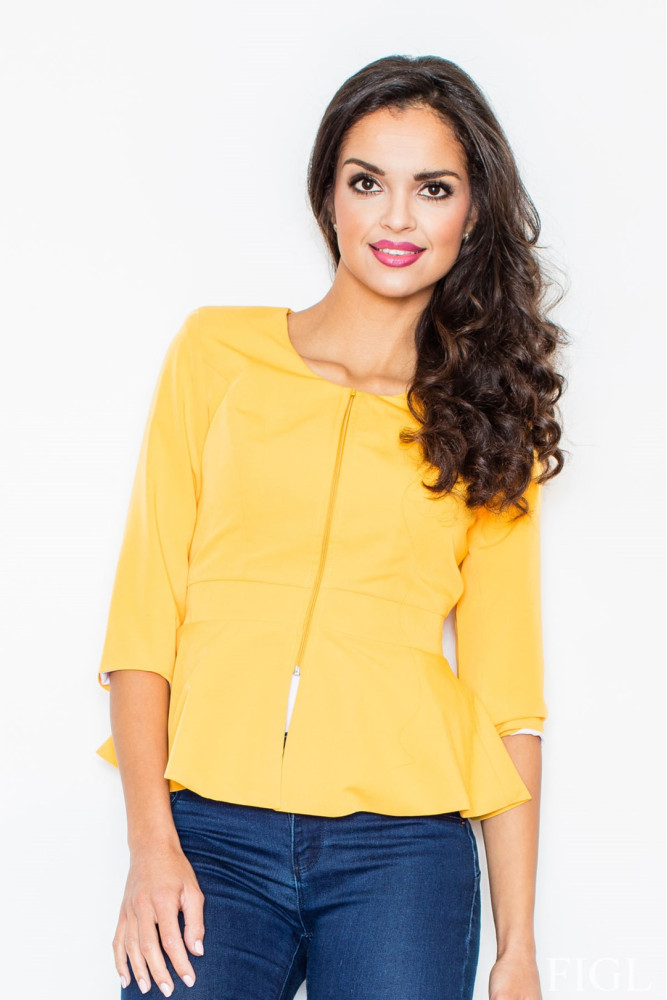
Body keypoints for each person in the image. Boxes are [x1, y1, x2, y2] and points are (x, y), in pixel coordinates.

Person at [95, 54, 567, 1000]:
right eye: (367, 182)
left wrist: (516, 949)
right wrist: (151, 846)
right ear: (328, 198)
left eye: (432, 188)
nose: (397, 219)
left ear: (472, 213)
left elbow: (507, 697)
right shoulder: (217, 353)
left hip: (403, 852)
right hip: (210, 835)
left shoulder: (486, 415)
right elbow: (144, 622)